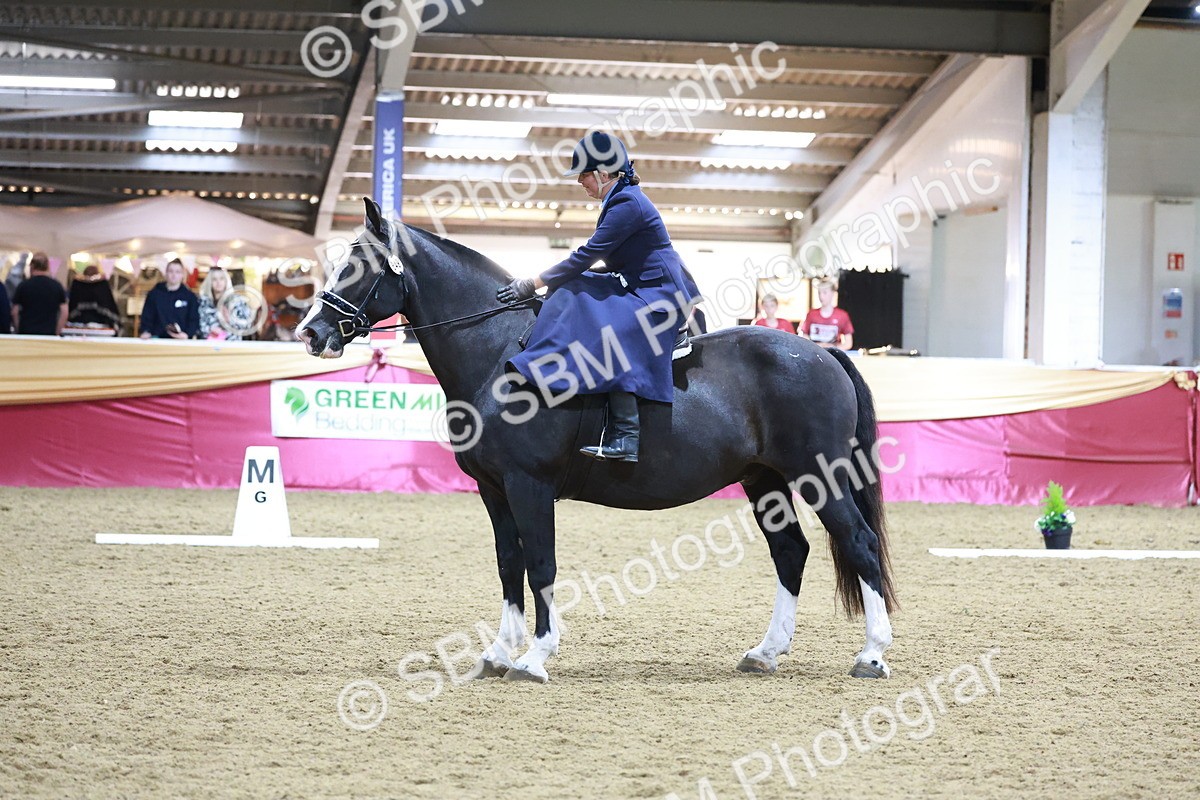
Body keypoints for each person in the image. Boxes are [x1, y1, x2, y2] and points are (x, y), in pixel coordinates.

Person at [497, 131, 701, 462]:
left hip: (661, 295)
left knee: (612, 333)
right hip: (639, 285)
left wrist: (532, 282)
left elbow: (587, 254)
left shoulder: (627, 204)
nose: (581, 182)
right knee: (574, 287)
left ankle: (626, 435)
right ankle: (540, 355)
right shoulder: (619, 197)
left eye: (584, 176)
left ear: (603, 173)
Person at [139, 258, 199, 339]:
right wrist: (146, 331)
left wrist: (187, 334)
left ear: (182, 275)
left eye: (177, 272)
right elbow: (147, 315)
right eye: (171, 271)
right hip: (156, 338)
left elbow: (194, 319)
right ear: (166, 273)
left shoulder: (190, 297)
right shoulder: (155, 294)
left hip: (181, 339)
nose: (174, 275)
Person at [12, 253, 67, 336]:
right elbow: (64, 312)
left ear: (32, 266)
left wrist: (18, 330)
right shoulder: (56, 286)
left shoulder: (23, 286)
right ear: (47, 266)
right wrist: (57, 332)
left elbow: (14, 312)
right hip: (49, 334)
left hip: (26, 333)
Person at [198, 266, 252, 340]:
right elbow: (198, 324)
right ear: (210, 282)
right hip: (209, 345)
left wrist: (230, 320)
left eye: (221, 278)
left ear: (226, 280)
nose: (218, 282)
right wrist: (210, 329)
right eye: (214, 279)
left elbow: (247, 325)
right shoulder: (203, 302)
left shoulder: (238, 301)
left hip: (231, 345)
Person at [801, 279, 854, 350]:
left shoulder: (842, 315)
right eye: (819, 293)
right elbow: (803, 336)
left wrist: (835, 350)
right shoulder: (811, 314)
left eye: (824, 292)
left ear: (832, 293)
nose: (821, 296)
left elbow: (848, 342)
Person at [68, 265, 121, 329]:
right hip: (100, 324)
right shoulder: (102, 286)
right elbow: (108, 305)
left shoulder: (77, 285)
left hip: (79, 323)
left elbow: (72, 306)